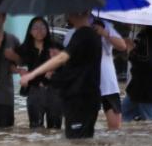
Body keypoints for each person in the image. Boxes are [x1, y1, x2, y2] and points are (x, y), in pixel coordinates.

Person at [20, 10, 101, 139]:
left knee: (77, 142)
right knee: (80, 141)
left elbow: (62, 59)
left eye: (69, 11)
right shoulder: (87, 35)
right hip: (81, 98)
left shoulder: (83, 35)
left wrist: (32, 74)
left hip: (80, 99)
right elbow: (76, 63)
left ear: (78, 13)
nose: (67, 16)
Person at [64, 17, 126, 130]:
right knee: (85, 126)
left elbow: (122, 46)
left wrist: (104, 33)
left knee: (115, 127)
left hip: (108, 84)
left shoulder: (105, 26)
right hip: (85, 85)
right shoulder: (71, 33)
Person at [14, 17, 62, 129]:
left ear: (47, 29)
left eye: (42, 27)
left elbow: (68, 64)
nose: (39, 30)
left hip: (54, 92)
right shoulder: (24, 48)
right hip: (34, 92)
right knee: (36, 129)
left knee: (55, 129)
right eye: (35, 28)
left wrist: (55, 67)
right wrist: (20, 71)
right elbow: (12, 63)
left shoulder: (56, 47)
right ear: (30, 31)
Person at [121, 26, 152, 121]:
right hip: (137, 89)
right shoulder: (144, 37)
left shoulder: (147, 38)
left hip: (145, 90)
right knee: (122, 115)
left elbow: (147, 62)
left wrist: (131, 51)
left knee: (151, 120)